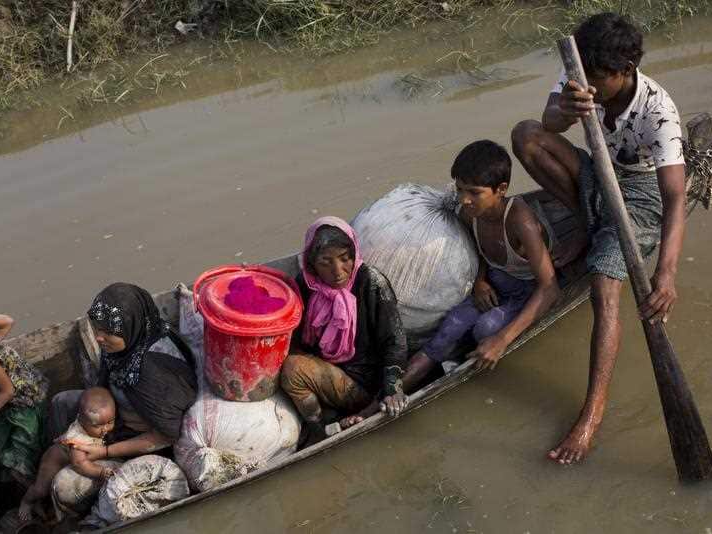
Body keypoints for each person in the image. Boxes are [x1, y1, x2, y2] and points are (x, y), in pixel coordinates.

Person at [510, 12, 687, 464]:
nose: (588, 83)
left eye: (599, 78)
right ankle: (593, 226)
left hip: (642, 195)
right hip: (600, 175)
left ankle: (591, 415)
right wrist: (565, 110)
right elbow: (548, 124)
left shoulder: (658, 112)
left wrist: (665, 274)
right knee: (527, 135)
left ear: (625, 71)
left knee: (604, 289)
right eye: (583, 75)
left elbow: (673, 197)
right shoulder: (581, 70)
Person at [402, 140, 566, 391]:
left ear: (500, 189)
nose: (464, 199)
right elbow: (478, 251)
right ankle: (387, 396)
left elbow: (550, 288)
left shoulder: (521, 222)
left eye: (474, 192)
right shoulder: (469, 213)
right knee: (453, 324)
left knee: (486, 329)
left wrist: (502, 339)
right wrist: (479, 280)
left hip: (529, 288)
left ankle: (467, 355)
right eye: (459, 189)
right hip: (496, 282)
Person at [48, 283, 197, 514]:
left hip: (146, 445)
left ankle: (88, 507)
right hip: (115, 419)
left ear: (130, 325)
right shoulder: (133, 341)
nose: (98, 338)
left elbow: (166, 435)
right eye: (97, 328)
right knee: (61, 401)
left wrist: (105, 452)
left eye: (108, 332)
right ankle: (63, 459)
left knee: (64, 486)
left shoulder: (151, 373)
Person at [280, 217, 409, 444]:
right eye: (325, 262)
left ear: (354, 255)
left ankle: (317, 427)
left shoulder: (371, 282)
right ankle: (325, 408)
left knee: (293, 368)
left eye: (344, 259)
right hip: (326, 369)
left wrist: (392, 388)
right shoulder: (306, 284)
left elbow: (395, 341)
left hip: (362, 383)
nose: (338, 271)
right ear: (312, 264)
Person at [19, 387, 116, 521]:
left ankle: (42, 503)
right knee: (41, 489)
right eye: (98, 426)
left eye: (110, 422)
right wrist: (100, 472)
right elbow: (79, 464)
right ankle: (27, 501)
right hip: (54, 461)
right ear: (81, 420)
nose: (105, 429)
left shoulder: (91, 422)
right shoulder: (76, 440)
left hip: (74, 457)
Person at [0, 314, 49, 485]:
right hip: (20, 386)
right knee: (3, 441)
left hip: (23, 400)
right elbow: (8, 321)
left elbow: (8, 391)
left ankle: (31, 492)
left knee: (22, 457)